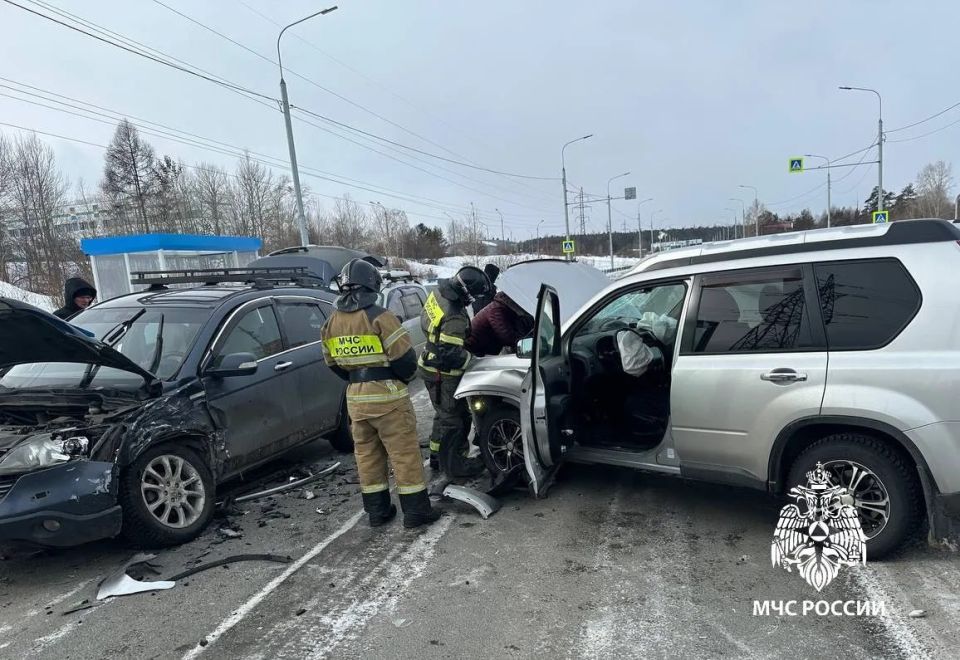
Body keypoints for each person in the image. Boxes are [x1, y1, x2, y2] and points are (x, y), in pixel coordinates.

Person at [321, 258, 440, 529]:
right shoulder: (380, 317)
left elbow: (332, 363)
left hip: (356, 399)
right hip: (388, 399)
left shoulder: (331, 322)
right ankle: (416, 511)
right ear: (371, 284)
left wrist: (357, 378)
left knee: (367, 456)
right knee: (404, 454)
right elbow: (405, 361)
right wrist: (394, 379)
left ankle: (377, 512)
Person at [418, 265, 492, 476]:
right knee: (456, 420)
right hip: (443, 374)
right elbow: (450, 354)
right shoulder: (455, 315)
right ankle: (455, 464)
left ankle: (437, 457)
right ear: (466, 292)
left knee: (442, 415)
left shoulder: (437, 293)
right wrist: (474, 362)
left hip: (429, 364)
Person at [465, 291, 533, 357]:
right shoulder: (496, 310)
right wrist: (525, 344)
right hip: (475, 350)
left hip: (484, 348)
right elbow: (507, 336)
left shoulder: (505, 309)